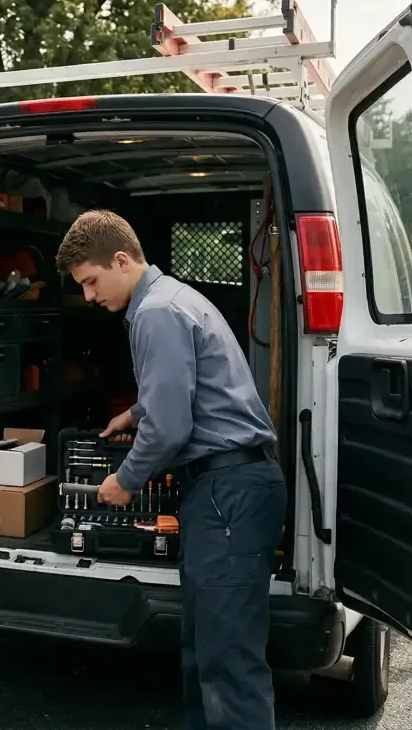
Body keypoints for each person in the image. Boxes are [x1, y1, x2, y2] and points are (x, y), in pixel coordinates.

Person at [55, 210, 286, 730]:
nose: (89, 297)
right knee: (205, 649)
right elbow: (189, 389)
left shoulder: (156, 312)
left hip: (229, 491)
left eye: (91, 281)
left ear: (121, 259)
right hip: (225, 491)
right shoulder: (173, 300)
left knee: (227, 660)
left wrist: (124, 481)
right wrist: (135, 412)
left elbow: (169, 430)